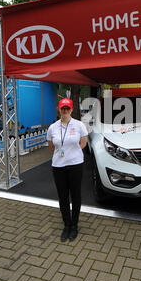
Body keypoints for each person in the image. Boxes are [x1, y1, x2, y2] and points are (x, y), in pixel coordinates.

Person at [47, 98, 88, 242]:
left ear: (71, 110)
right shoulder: (53, 127)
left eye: (67, 108)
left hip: (75, 165)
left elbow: (82, 143)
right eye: (62, 108)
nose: (65, 111)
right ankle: (67, 225)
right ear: (59, 109)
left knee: (75, 195)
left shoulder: (79, 125)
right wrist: (63, 153)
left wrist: (71, 154)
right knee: (63, 197)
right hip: (58, 166)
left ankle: (75, 225)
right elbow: (52, 147)